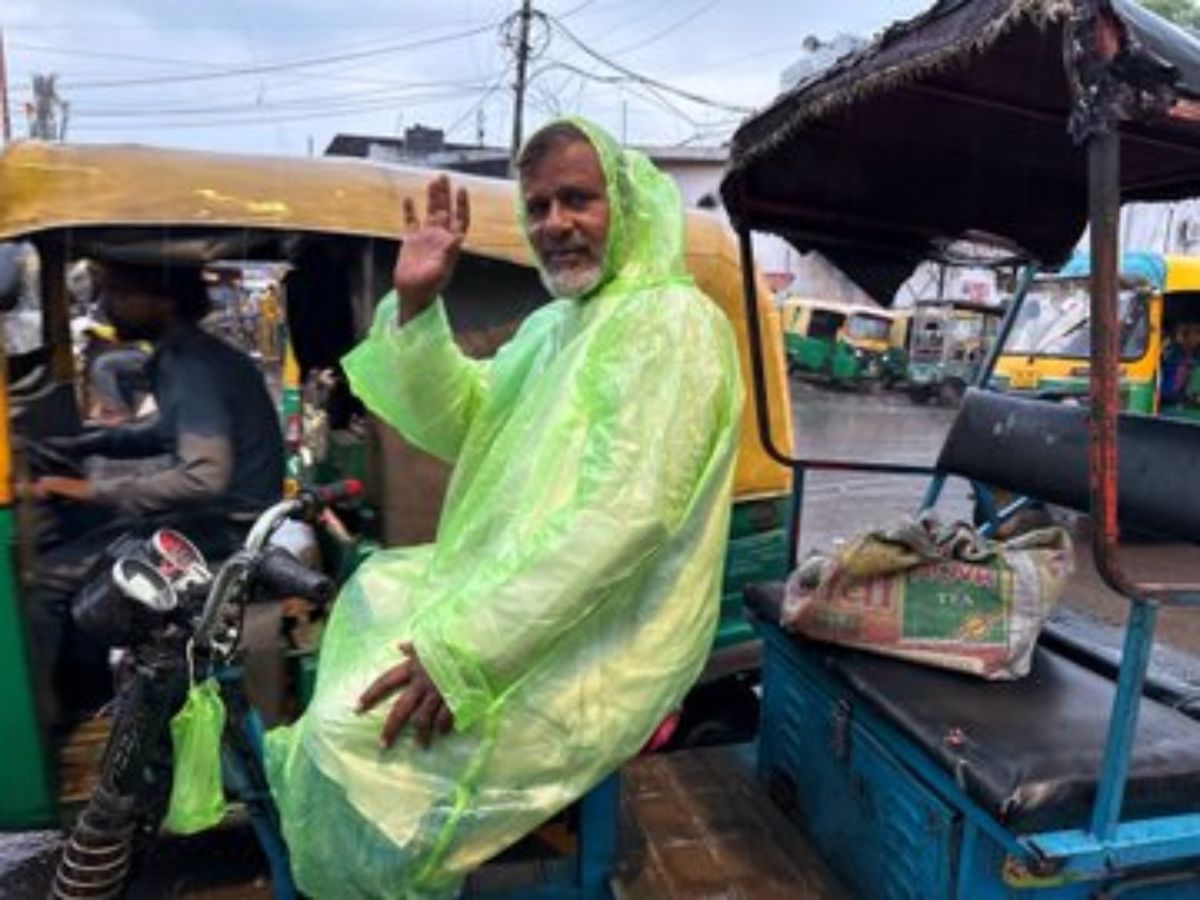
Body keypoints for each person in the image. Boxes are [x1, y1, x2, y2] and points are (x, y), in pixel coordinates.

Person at [266, 117, 743, 898]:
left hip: (601, 643)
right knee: (374, 599)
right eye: (539, 206)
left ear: (624, 202)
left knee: (347, 737)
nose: (555, 224)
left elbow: (623, 518)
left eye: (578, 200)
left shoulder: (671, 324)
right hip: (523, 611)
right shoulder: (560, 325)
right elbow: (467, 417)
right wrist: (417, 306)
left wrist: (465, 653)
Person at [28, 260, 285, 716]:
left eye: (121, 292)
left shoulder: (190, 365)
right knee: (93, 532)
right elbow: (164, 432)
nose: (107, 305)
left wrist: (92, 490)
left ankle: (50, 718)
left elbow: (204, 475)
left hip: (224, 531)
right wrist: (87, 443)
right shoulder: (191, 354)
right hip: (224, 517)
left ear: (164, 301)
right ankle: (89, 699)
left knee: (46, 579)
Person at [1160, 320, 1200, 406]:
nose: (1198, 338)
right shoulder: (1172, 353)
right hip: (1171, 398)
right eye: (1196, 333)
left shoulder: (1197, 353)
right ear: (1186, 335)